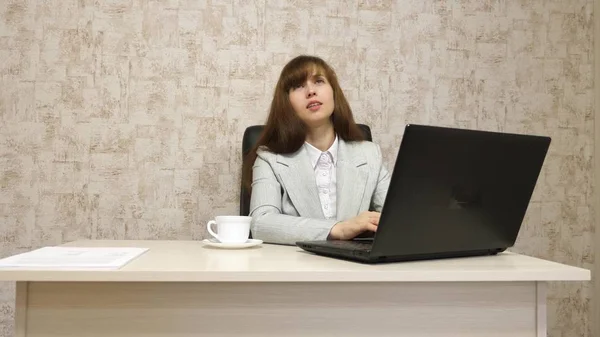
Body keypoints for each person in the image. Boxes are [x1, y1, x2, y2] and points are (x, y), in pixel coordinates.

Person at [242, 55, 391, 246]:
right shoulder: (269, 158)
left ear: (334, 92)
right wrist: (338, 229)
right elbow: (261, 224)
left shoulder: (369, 154)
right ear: (286, 102)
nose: (311, 91)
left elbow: (397, 217)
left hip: (355, 270)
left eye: (319, 81)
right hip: (295, 268)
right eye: (298, 86)